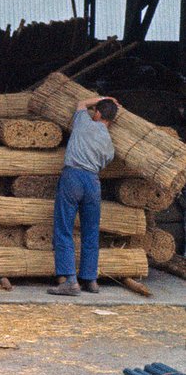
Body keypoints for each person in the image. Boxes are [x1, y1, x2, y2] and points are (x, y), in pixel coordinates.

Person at [48, 96, 118, 296]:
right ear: (111, 120)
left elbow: (80, 104)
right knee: (91, 231)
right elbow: (105, 162)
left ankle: (70, 281)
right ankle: (90, 279)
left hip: (73, 177)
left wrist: (104, 98)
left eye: (94, 110)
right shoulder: (109, 143)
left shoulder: (84, 122)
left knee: (64, 228)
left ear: (96, 113)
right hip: (93, 182)